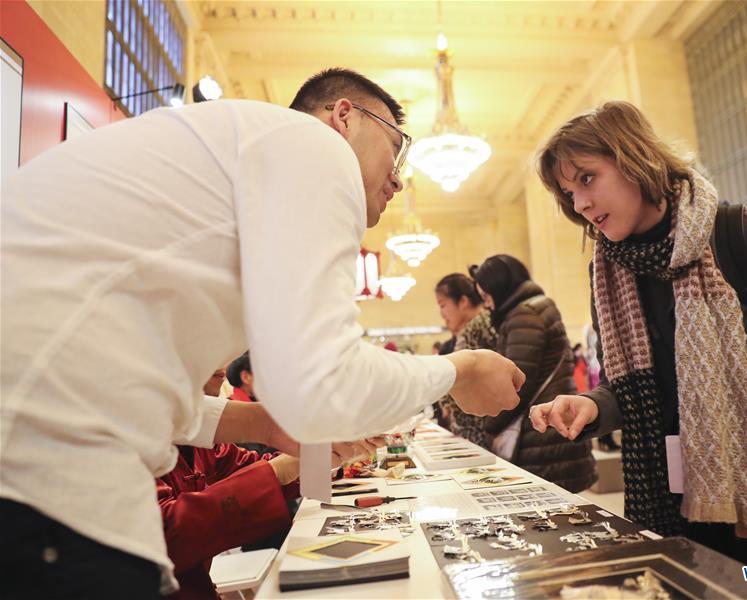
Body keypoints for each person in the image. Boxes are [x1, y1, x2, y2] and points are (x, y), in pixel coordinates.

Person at [1, 67, 525, 598]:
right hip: (42, 462)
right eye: (396, 146)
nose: (398, 177)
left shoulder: (244, 160)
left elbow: (131, 377)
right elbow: (323, 383)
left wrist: (265, 424)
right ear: (343, 117)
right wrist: (462, 369)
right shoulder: (316, 148)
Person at [529, 100, 747, 595]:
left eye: (587, 178)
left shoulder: (740, 233)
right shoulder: (609, 273)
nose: (579, 204)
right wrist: (590, 405)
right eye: (568, 193)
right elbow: (631, 389)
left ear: (635, 159)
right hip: (673, 508)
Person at [159, 434, 379, 600]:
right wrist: (280, 468)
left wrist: (330, 459)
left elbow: (250, 464)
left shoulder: (196, 437)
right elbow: (162, 534)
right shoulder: (134, 440)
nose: (221, 372)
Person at [469, 255, 596, 493]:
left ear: (499, 288)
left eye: (486, 297)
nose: (486, 305)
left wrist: (489, 424)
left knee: (551, 515)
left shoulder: (525, 315)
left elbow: (516, 385)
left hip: (540, 437)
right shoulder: (535, 308)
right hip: (552, 430)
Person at [434, 273, 497, 449]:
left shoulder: (476, 327)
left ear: (463, 301)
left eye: (443, 305)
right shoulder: (483, 323)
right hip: (481, 427)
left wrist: (446, 402)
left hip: (479, 428)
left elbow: (459, 376)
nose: (442, 314)